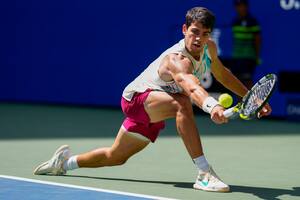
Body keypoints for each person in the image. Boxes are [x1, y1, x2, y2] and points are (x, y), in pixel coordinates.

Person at [33, 7, 271, 192]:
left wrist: (253, 97)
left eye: (205, 33)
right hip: (137, 100)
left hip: (156, 106)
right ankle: (204, 174)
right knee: (182, 103)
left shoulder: (209, 47)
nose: (199, 39)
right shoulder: (177, 59)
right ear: (184, 30)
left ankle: (63, 164)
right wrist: (212, 106)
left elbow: (222, 74)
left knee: (115, 157)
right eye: (194, 32)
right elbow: (190, 86)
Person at [231, 0, 261, 89]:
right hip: (236, 57)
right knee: (236, 82)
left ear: (246, 6)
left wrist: (257, 56)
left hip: (248, 57)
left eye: (242, 5)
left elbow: (258, 40)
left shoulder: (252, 21)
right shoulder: (235, 21)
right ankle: (241, 103)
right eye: (238, 5)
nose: (240, 8)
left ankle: (251, 102)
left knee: (247, 81)